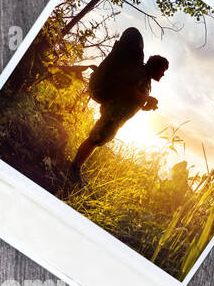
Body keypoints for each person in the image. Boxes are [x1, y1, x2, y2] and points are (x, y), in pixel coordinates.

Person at [70, 27, 168, 182]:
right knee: (94, 139)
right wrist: (146, 99)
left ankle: (76, 169)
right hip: (113, 114)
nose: (163, 74)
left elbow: (133, 98)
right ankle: (74, 169)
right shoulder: (141, 73)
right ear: (155, 67)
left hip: (117, 117)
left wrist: (145, 104)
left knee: (97, 140)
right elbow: (126, 88)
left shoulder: (146, 79)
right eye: (162, 70)